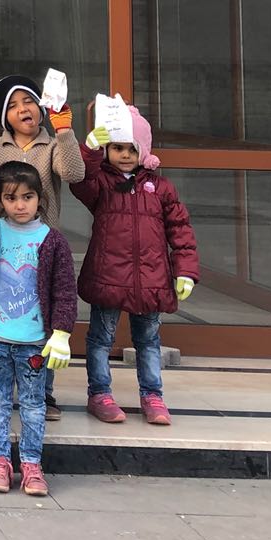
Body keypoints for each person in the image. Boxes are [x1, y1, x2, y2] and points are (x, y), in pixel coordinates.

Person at [76, 104, 199, 427]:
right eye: (117, 147)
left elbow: (181, 230)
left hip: (151, 278)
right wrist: (89, 150)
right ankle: (99, 393)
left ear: (143, 150)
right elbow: (80, 181)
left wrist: (185, 270)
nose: (125, 155)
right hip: (108, 276)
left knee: (148, 341)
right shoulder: (101, 184)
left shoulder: (161, 188)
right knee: (101, 338)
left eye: (132, 148)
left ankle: (152, 395)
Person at [0, 161, 78, 497]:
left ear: (39, 198)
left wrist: (61, 332)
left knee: (33, 404)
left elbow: (64, 289)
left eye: (27, 197)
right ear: (0, 200)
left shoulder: (52, 240)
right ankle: (0, 460)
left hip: (34, 340)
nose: (20, 205)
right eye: (11, 197)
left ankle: (31, 463)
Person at [0, 75, 81, 420]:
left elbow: (74, 173)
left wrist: (64, 131)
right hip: (5, 243)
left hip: (42, 244)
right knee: (2, 312)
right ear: (4, 116)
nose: (23, 109)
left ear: (41, 106)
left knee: (41, 315)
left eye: (29, 101)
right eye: (14, 105)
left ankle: (43, 391)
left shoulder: (51, 144)